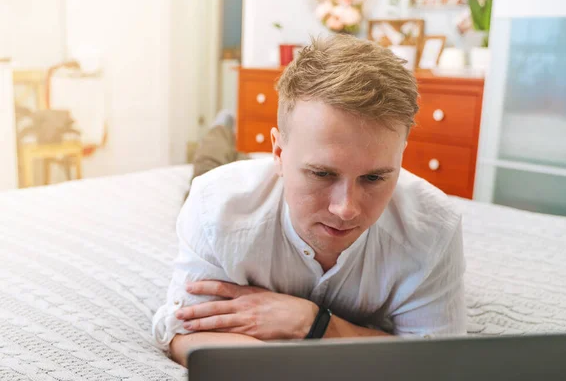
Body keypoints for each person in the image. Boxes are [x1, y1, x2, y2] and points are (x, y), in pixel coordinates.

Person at [152, 34, 466, 367]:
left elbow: (436, 364)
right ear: (279, 152)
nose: (346, 209)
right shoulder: (215, 204)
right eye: (322, 174)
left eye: (374, 178)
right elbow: (180, 332)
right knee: (210, 161)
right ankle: (221, 129)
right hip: (249, 180)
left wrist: (313, 324)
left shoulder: (435, 229)